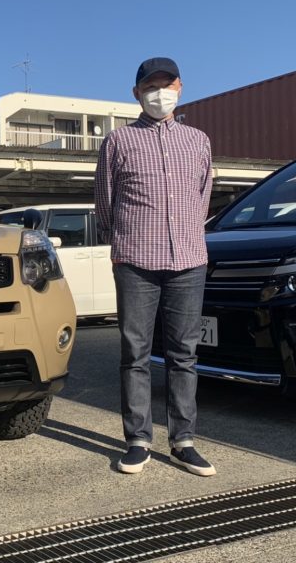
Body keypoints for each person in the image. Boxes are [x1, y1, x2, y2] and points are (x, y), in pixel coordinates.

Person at [94, 57, 216, 476]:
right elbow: (105, 201)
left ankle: (183, 441)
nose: (159, 93)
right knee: (135, 353)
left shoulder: (198, 140)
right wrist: (120, 243)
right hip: (136, 261)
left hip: (188, 260)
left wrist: (187, 232)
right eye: (150, 86)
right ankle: (138, 440)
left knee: (185, 354)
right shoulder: (118, 141)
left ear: (179, 88)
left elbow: (203, 196)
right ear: (137, 93)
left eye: (167, 85)